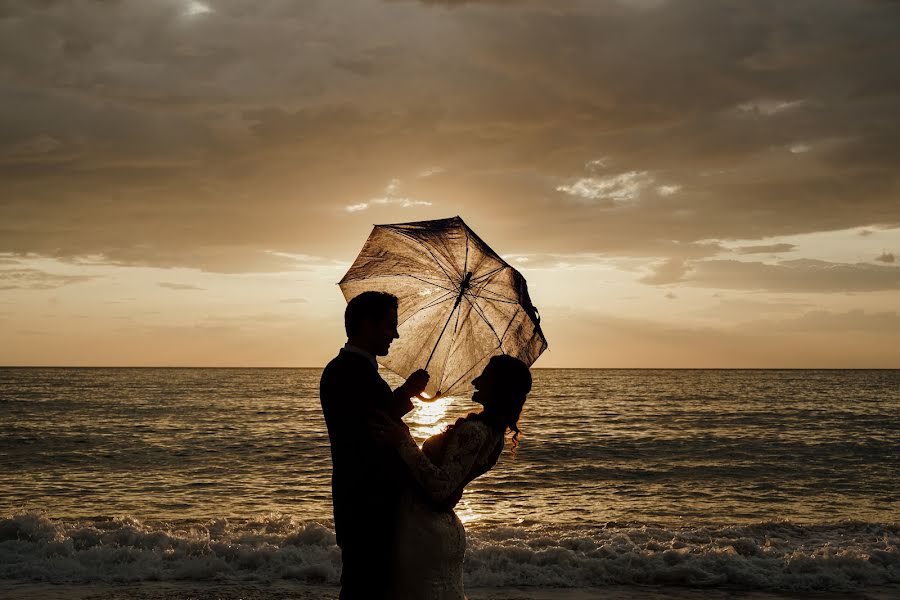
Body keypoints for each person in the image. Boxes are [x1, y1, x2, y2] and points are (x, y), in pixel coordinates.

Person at [373, 354, 533, 600]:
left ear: (499, 386)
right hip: (444, 528)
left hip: (423, 526)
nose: (475, 382)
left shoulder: (475, 432)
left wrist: (403, 440)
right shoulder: (496, 435)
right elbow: (453, 481)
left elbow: (441, 487)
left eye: (485, 377)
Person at [319, 291, 429, 600]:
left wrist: (404, 392)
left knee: (365, 586)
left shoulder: (349, 370)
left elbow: (371, 419)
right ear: (367, 325)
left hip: (360, 503)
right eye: (389, 325)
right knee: (366, 588)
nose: (395, 334)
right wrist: (403, 395)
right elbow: (374, 432)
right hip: (367, 504)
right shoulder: (350, 372)